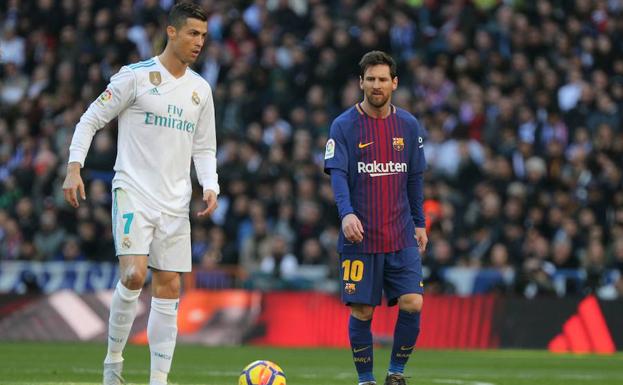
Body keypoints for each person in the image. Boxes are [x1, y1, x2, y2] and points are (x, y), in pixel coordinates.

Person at [61, 3, 219, 385]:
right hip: (133, 191)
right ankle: (113, 364)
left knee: (169, 287)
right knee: (133, 275)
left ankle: (158, 380)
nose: (199, 42)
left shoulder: (200, 90)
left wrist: (210, 183)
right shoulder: (134, 77)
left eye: (203, 35)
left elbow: (205, 147)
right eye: (193, 34)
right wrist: (73, 167)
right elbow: (90, 119)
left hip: (175, 201)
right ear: (172, 32)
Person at [324, 51, 428, 385]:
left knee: (413, 301)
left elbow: (414, 178)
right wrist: (346, 214)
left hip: (400, 235)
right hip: (360, 238)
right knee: (363, 311)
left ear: (394, 83)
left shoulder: (409, 126)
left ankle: (396, 374)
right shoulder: (343, 126)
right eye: (370, 79)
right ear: (361, 83)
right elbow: (337, 175)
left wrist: (420, 222)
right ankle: (366, 379)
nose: (376, 85)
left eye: (383, 79)